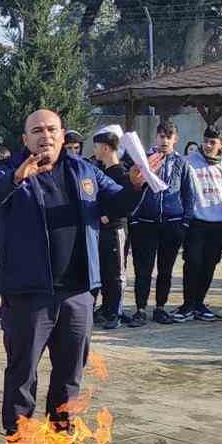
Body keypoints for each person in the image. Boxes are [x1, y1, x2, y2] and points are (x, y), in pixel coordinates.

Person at [0, 110, 147, 442]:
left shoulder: (83, 170)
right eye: (36, 130)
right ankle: (18, 439)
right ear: (25, 139)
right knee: (22, 371)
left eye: (51, 129)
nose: (44, 135)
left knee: (70, 372)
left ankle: (62, 438)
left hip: (78, 292)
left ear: (63, 135)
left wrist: (135, 187)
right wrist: (16, 178)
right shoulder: (7, 171)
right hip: (27, 293)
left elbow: (117, 204)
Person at [125, 121, 194, 327]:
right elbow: (132, 187)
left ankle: (160, 308)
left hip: (172, 224)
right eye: (161, 136)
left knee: (166, 269)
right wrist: (134, 217)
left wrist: (185, 222)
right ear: (155, 137)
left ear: (176, 139)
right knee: (142, 270)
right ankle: (139, 309)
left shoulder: (182, 163)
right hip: (144, 223)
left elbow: (188, 194)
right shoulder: (143, 160)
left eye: (169, 136)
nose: (165, 140)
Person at [175, 127, 222, 323]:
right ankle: (187, 304)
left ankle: (200, 303)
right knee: (192, 262)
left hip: (220, 223)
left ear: (221, 143)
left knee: (210, 264)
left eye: (213, 142)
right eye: (206, 141)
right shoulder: (188, 162)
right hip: (196, 221)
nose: (208, 146)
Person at [89, 129, 132, 328]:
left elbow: (126, 203)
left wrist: (109, 216)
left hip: (116, 230)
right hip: (100, 230)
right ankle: (105, 308)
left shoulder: (122, 173)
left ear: (106, 148)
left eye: (96, 146)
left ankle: (116, 311)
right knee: (103, 271)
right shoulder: (101, 172)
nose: (94, 150)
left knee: (116, 272)